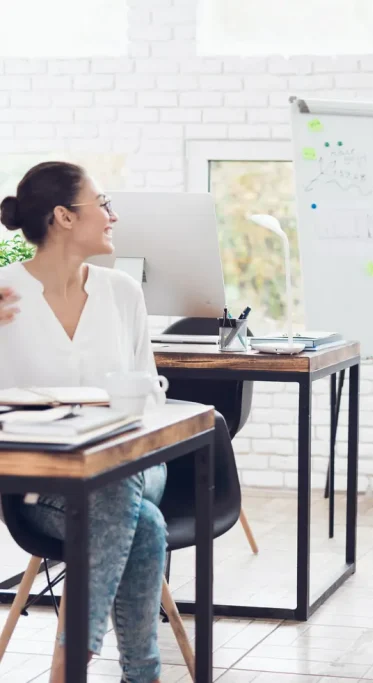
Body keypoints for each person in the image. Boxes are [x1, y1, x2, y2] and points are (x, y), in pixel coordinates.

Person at [0, 161, 231, 683]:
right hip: (43, 486)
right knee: (144, 525)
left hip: (135, 467)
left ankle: (70, 662)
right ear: (64, 216)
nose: (113, 215)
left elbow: (148, 398)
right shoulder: (4, 294)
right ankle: (141, 675)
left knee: (116, 483)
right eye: (103, 203)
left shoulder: (122, 292)